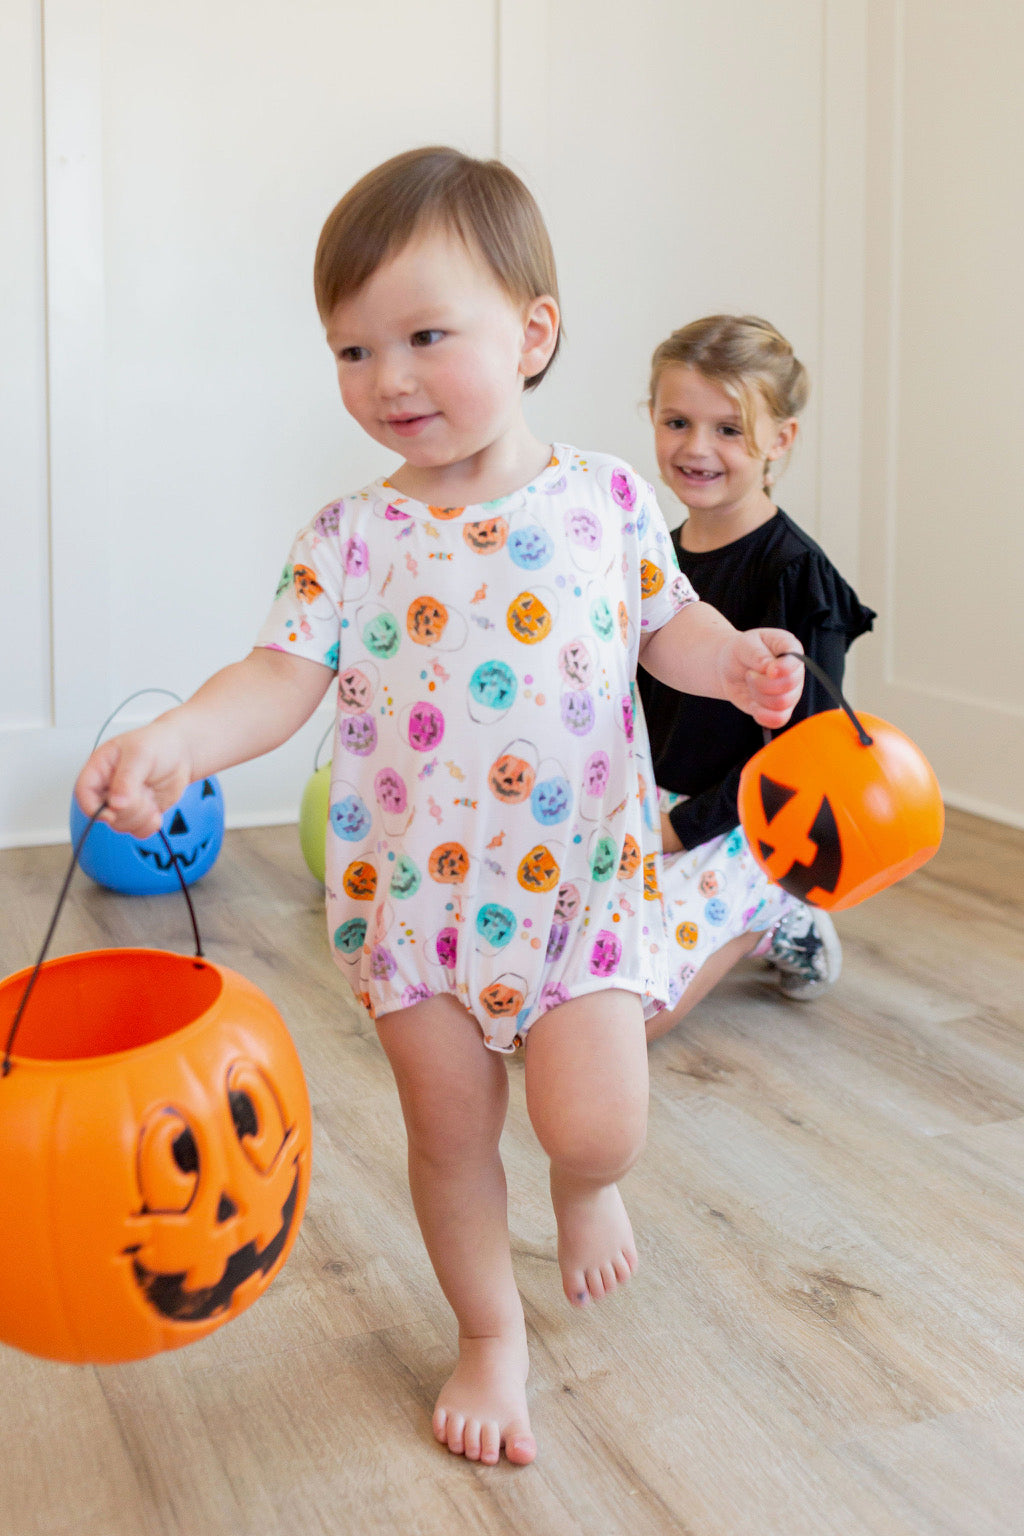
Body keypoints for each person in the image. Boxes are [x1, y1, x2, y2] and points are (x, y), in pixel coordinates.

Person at [74, 151, 804, 1466]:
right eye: (352, 350)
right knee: (450, 1137)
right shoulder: (348, 537)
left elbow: (668, 626)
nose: (387, 379)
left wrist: (737, 659)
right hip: (417, 905)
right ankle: (488, 1334)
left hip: (580, 884)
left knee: (598, 1121)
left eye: (423, 336)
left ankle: (585, 1195)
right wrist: (178, 736)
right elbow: (278, 674)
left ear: (532, 333)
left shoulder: (606, 500)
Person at [637, 314, 876, 1042]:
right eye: (678, 421)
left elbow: (802, 758)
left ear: (781, 440)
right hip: (648, 805)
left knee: (624, 1022)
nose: (697, 447)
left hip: (752, 820)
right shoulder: (648, 558)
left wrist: (682, 828)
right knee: (548, 972)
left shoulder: (797, 576)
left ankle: (783, 914)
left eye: (730, 429)